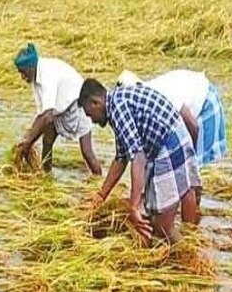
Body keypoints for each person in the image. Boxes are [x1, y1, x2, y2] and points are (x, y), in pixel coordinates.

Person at [79, 78, 201, 242]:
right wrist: (101, 195)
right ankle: (192, 240)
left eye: (89, 114)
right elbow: (121, 158)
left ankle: (189, 258)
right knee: (185, 191)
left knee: (162, 226)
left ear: (96, 103)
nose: (91, 120)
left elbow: (138, 156)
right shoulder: (118, 101)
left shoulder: (118, 109)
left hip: (167, 145)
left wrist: (134, 206)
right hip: (179, 135)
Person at [14, 43, 101, 176]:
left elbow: (47, 115)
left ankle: (98, 181)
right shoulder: (35, 78)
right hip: (58, 111)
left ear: (30, 67)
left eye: (24, 73)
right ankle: (46, 175)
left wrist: (28, 143)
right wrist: (27, 141)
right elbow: (42, 115)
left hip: (79, 106)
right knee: (47, 143)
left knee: (87, 152)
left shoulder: (48, 74)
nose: (23, 77)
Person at [116, 69, 227, 169]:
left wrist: (190, 160)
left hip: (205, 101)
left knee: (197, 168)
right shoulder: (141, 113)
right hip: (192, 102)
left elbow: (193, 126)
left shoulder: (159, 98)